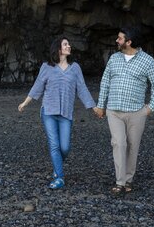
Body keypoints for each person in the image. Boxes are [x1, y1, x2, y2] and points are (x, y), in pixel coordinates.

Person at [19, 37, 98, 189]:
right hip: (48, 112)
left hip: (66, 114)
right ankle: (59, 177)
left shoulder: (75, 68)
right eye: (65, 44)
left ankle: (57, 168)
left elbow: (82, 89)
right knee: (54, 146)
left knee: (65, 148)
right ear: (58, 49)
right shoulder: (46, 67)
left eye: (68, 44)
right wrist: (25, 103)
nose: (69, 46)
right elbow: (37, 87)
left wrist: (93, 107)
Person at [93, 26, 154, 195]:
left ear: (129, 42)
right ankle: (120, 181)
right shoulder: (114, 58)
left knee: (132, 146)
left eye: (120, 38)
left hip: (136, 112)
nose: (117, 41)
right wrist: (101, 105)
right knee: (119, 143)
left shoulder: (147, 60)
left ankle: (129, 180)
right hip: (114, 111)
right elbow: (105, 83)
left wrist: (150, 107)